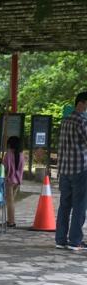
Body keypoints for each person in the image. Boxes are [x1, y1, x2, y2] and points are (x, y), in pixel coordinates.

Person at [55, 91, 87, 251]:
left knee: (64, 205)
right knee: (79, 206)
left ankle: (60, 240)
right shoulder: (82, 121)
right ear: (82, 103)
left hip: (64, 170)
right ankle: (75, 241)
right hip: (80, 169)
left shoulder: (65, 120)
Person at [3, 136, 25, 227]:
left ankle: (11, 222)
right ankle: (10, 220)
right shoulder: (21, 154)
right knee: (12, 201)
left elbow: (5, 168)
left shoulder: (8, 154)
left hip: (9, 180)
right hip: (17, 181)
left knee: (9, 202)